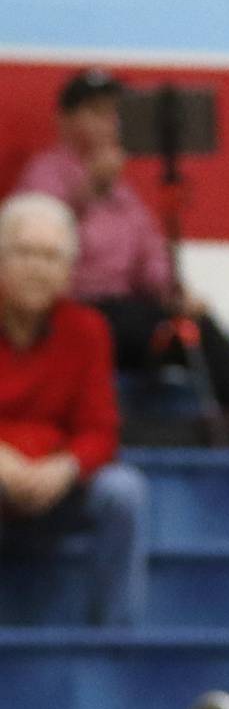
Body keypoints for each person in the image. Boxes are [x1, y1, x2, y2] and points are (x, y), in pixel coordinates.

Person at [16, 70, 229, 454]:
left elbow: (150, 264)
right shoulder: (45, 176)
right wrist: (88, 189)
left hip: (129, 320)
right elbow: (38, 249)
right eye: (97, 112)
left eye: (115, 112)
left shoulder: (124, 195)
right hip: (71, 314)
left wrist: (175, 293)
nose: (110, 123)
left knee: (193, 327)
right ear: (66, 120)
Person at [0, 190, 149, 625]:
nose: (36, 268)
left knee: (124, 491)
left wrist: (63, 468)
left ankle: (114, 642)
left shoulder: (88, 330)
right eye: (24, 253)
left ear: (68, 270)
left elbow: (101, 430)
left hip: (59, 482)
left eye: (50, 257)